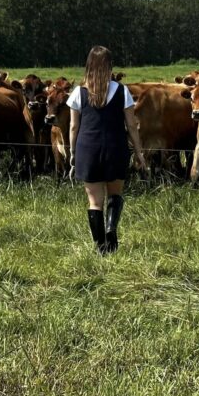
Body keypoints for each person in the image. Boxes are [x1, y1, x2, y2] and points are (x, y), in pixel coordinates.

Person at [68, 46, 146, 254]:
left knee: (94, 201)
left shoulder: (78, 92)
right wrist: (139, 152)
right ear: (110, 65)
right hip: (115, 147)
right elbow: (131, 125)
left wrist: (73, 153)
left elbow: (74, 127)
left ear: (89, 65)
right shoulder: (122, 90)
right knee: (115, 194)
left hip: (88, 148)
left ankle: (101, 247)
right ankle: (111, 230)